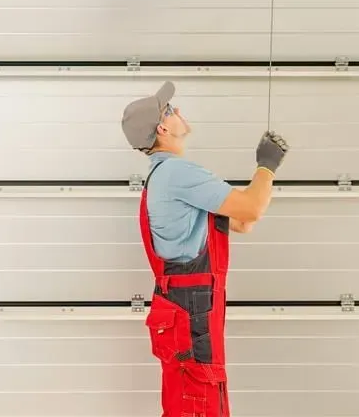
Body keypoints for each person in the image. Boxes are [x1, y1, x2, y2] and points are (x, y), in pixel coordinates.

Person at [120, 80, 289, 417]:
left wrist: (263, 177)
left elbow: (242, 221)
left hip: (184, 308)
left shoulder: (164, 176)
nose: (179, 111)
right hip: (192, 310)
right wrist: (266, 166)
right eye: (170, 110)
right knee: (200, 402)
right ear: (162, 128)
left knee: (189, 400)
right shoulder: (177, 172)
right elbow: (251, 209)